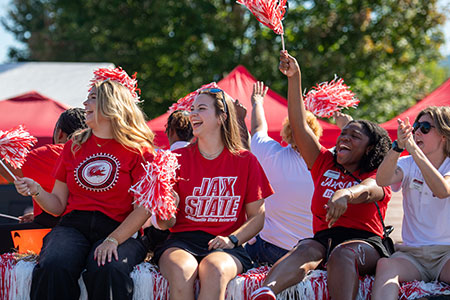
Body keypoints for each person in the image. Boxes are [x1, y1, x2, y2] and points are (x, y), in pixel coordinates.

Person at [250, 51, 392, 300]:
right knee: (304, 246)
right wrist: (295, 78)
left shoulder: (377, 172)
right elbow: (299, 125)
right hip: (323, 241)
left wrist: (345, 194)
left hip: (365, 244)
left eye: (354, 136)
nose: (344, 138)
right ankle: (266, 292)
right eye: (343, 134)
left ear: (369, 148)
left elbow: (371, 188)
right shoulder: (324, 161)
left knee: (342, 254)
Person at [14, 79, 156, 300]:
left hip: (118, 227)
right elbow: (58, 206)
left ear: (111, 105)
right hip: (73, 226)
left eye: (92, 98)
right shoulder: (74, 145)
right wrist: (36, 190)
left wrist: (113, 240)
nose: (84, 103)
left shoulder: (139, 150)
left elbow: (144, 209)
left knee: (108, 268)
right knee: (54, 264)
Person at [153, 88, 273, 300]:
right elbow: (165, 224)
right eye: (192, 109)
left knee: (215, 270)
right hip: (181, 242)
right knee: (182, 271)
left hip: (226, 245)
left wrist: (232, 240)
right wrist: (167, 208)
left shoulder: (246, 161)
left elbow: (258, 217)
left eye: (201, 108)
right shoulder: (174, 158)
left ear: (221, 117)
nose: (192, 114)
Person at [371, 106, 450, 300]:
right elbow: (381, 180)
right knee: (385, 266)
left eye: (424, 127)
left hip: (446, 254)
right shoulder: (408, 163)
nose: (416, 132)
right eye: (415, 126)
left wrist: (414, 151)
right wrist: (398, 146)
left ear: (444, 135)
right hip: (412, 255)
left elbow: (442, 191)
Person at [243, 81, 323, 266]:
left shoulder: (271, 154)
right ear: (316, 133)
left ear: (287, 132)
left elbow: (257, 130)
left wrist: (257, 103)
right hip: (311, 252)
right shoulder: (328, 161)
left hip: (271, 249)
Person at [0, 108, 86, 254]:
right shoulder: (95, 156)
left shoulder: (54, 152)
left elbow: (7, 170)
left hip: (54, 235)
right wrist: (38, 213)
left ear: (60, 133)